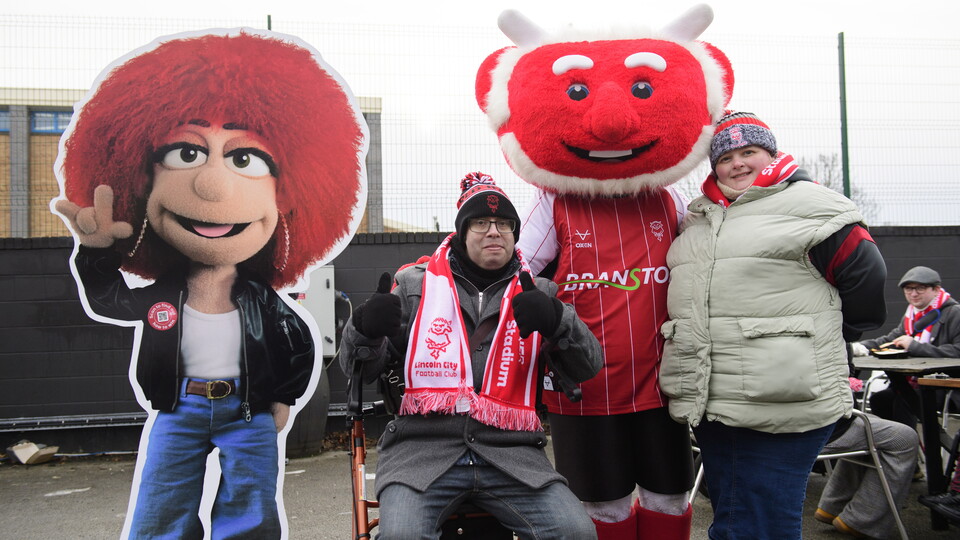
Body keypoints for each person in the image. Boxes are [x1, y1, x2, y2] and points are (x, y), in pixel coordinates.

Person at [53, 32, 368, 538]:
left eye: (246, 159)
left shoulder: (263, 300)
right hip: (178, 407)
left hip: (249, 410)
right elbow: (110, 300)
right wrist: (95, 256)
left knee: (251, 508)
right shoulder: (164, 294)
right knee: (161, 506)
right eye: (185, 153)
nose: (213, 186)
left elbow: (297, 339)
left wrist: (283, 397)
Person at [660, 111, 888, 540]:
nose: (738, 164)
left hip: (785, 398)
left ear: (771, 153)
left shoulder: (814, 206)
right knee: (731, 516)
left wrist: (825, 339)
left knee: (765, 520)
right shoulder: (698, 219)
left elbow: (867, 281)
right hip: (715, 400)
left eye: (750, 152)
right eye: (726, 157)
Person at [339, 172, 603, 539]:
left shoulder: (537, 291)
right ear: (462, 233)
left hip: (513, 456)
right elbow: (357, 369)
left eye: (504, 224)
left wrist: (559, 321)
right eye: (481, 222)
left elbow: (589, 365)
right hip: (422, 454)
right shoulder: (415, 287)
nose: (494, 231)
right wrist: (364, 329)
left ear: (514, 234)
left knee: (576, 532)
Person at [850, 266, 960, 427]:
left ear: (936, 289)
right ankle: (892, 446)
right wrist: (859, 347)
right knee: (880, 400)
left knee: (905, 401)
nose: (913, 294)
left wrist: (915, 346)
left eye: (920, 288)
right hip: (913, 384)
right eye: (909, 289)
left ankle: (911, 448)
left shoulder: (954, 313)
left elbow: (957, 351)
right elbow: (890, 340)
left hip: (943, 386)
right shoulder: (912, 315)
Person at [814, 386, 920, 539]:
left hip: (782, 428)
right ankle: (861, 520)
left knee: (873, 423)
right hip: (816, 429)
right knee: (904, 438)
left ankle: (834, 506)